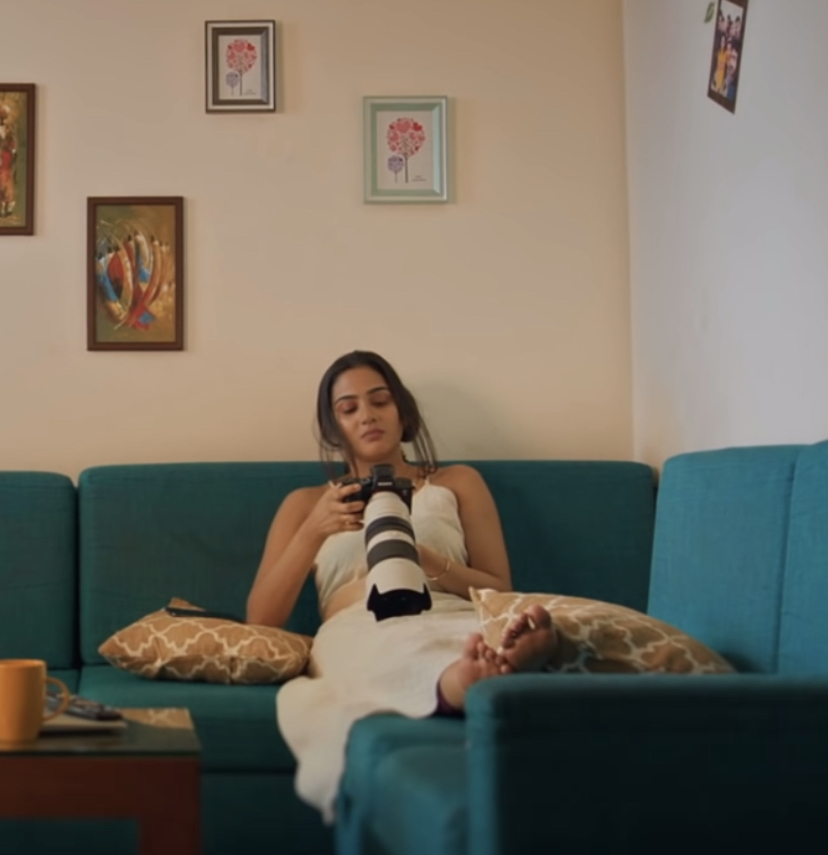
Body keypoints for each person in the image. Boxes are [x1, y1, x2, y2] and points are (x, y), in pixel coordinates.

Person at [247, 350, 557, 821]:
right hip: (359, 623)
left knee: (473, 629)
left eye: (380, 401)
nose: (367, 416)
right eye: (348, 408)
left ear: (402, 412)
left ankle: (492, 660)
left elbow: (499, 587)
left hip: (450, 610)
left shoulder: (457, 482)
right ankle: (464, 679)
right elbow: (260, 620)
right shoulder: (307, 503)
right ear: (333, 428)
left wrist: (422, 556)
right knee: (382, 648)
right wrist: (313, 530)